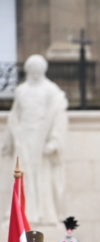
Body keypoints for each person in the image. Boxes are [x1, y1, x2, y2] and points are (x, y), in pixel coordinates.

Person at [2, 54, 68, 232]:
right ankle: (21, 212)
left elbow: (58, 116)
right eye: (32, 70)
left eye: (38, 70)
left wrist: (54, 140)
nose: (35, 74)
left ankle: (44, 215)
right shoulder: (21, 90)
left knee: (42, 176)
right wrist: (9, 140)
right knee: (22, 175)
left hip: (41, 137)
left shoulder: (51, 90)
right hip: (23, 138)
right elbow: (14, 117)